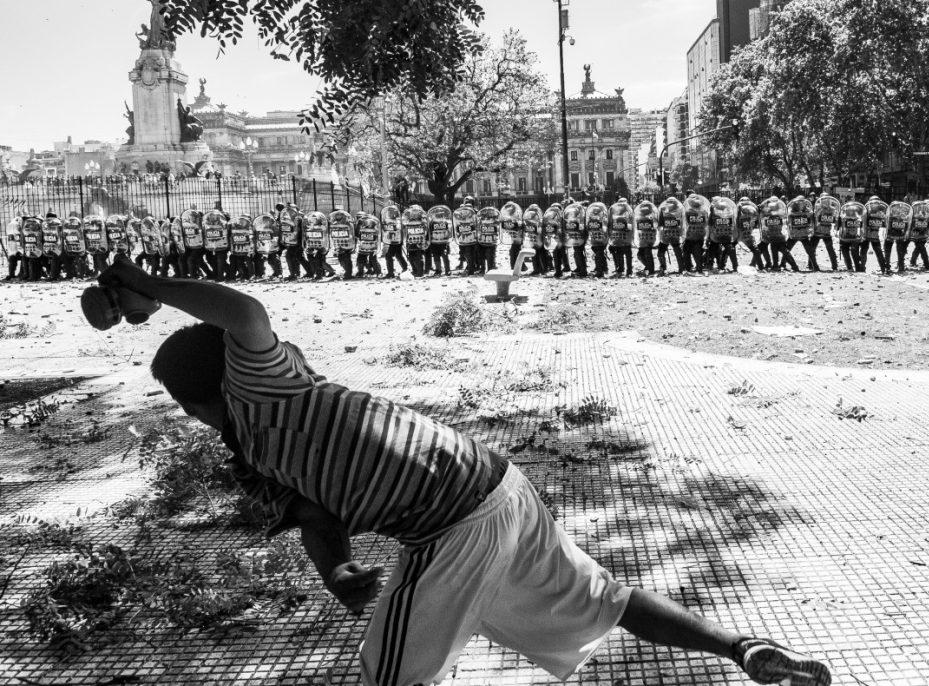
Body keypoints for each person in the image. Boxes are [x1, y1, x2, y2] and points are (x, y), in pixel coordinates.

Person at [96, 254, 832, 686]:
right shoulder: (255, 448)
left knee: (387, 675)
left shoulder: (260, 388)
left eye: (179, 403)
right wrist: (337, 571)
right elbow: (313, 514)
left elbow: (246, 311)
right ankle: (744, 649)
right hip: (499, 488)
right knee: (601, 596)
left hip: (453, 523)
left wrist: (144, 283)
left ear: (197, 398)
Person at [810, 195, 840, 272]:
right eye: (824, 199)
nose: (826, 201)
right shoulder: (817, 208)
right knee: (812, 249)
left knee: (830, 249)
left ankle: (835, 266)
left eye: (827, 199)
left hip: (826, 231)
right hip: (817, 231)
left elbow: (836, 219)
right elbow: (814, 217)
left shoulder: (833, 209)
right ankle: (810, 265)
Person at [883, 200, 912, 273]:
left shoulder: (891, 216)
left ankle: (887, 267)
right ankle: (901, 267)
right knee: (900, 252)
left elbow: (886, 224)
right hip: (900, 235)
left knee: (887, 251)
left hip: (890, 235)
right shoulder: (903, 217)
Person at [860, 196, 888, 273]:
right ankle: (862, 268)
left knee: (878, 253)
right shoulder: (866, 212)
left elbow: (886, 223)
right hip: (866, 235)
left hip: (874, 235)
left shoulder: (880, 213)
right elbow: (862, 223)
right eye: (873, 203)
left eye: (876, 203)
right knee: (864, 252)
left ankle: (883, 268)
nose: (874, 205)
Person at [381, 205, 409, 278]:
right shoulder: (389, 220)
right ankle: (405, 268)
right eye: (390, 212)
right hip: (391, 240)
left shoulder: (398, 220)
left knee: (389, 255)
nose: (391, 213)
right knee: (398, 255)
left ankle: (391, 273)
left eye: (392, 212)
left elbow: (400, 229)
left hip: (396, 240)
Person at [329, 209, 357, 280]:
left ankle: (348, 274)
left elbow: (352, 233)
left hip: (347, 243)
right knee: (340, 258)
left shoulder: (348, 223)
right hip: (338, 243)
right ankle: (347, 271)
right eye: (337, 215)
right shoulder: (334, 223)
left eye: (340, 214)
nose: (338, 216)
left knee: (347, 259)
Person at [563, 201, 588, 277]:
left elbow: (582, 227)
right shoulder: (576, 216)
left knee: (578, 253)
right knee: (576, 253)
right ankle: (579, 268)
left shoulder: (581, 216)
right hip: (575, 236)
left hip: (579, 236)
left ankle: (582, 271)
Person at [585, 201, 610, 278]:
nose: (595, 213)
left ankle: (600, 271)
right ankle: (604, 268)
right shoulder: (602, 219)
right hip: (598, 239)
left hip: (599, 239)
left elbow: (605, 228)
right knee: (599, 253)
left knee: (598, 254)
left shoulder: (602, 219)